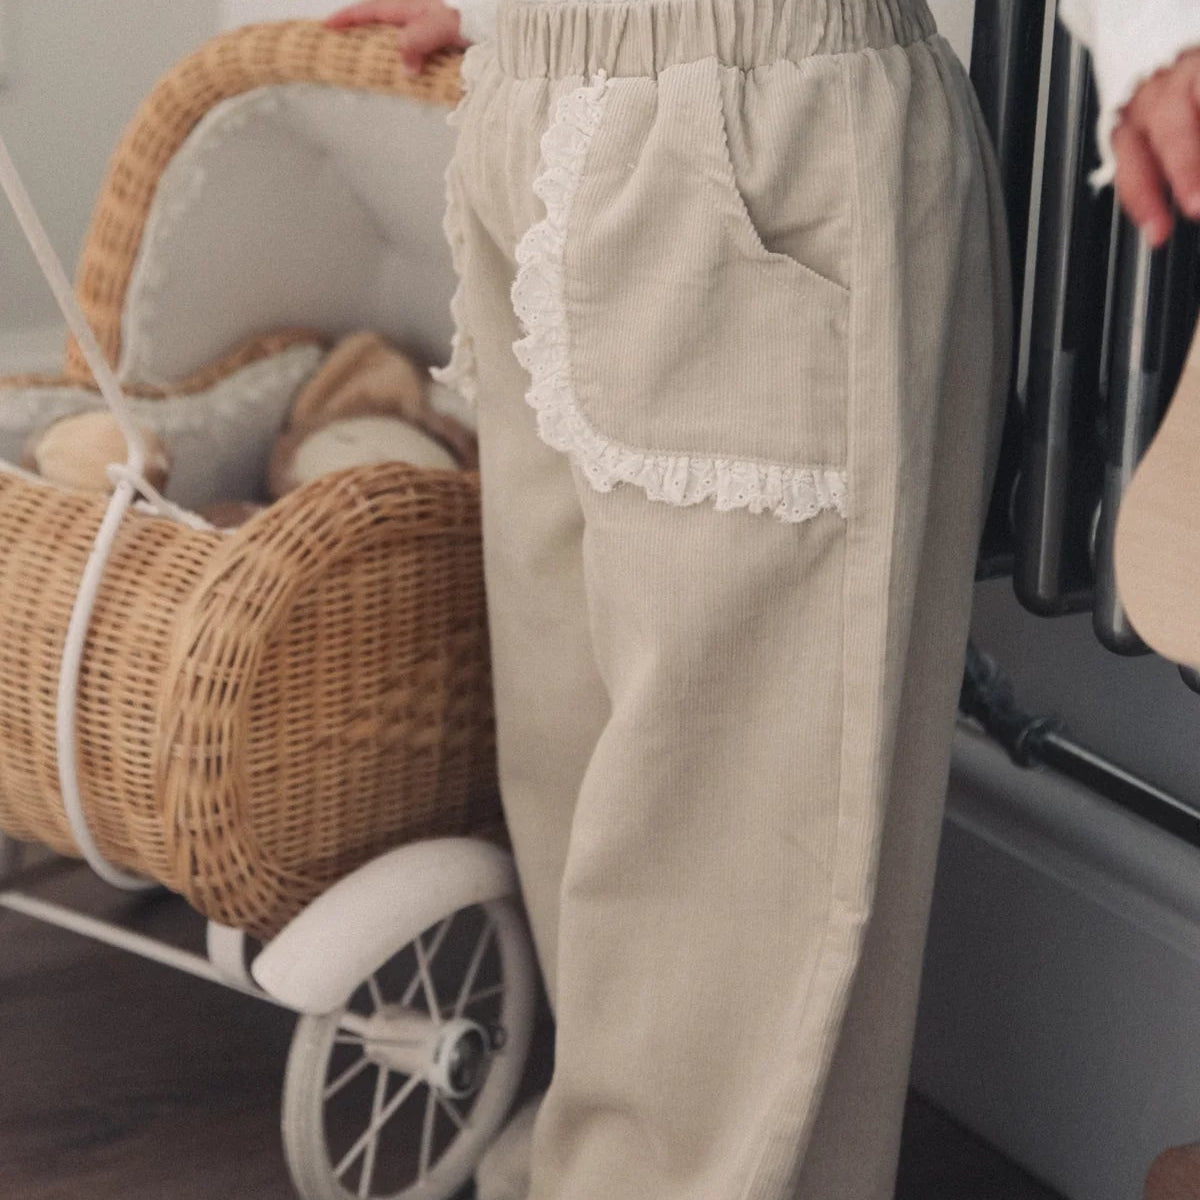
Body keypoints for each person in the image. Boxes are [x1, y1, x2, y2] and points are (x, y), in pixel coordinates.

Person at [322, 3, 1200, 1199]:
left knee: (733, 853)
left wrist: (1151, 30)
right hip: (540, 103)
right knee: (581, 783)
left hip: (763, 126)